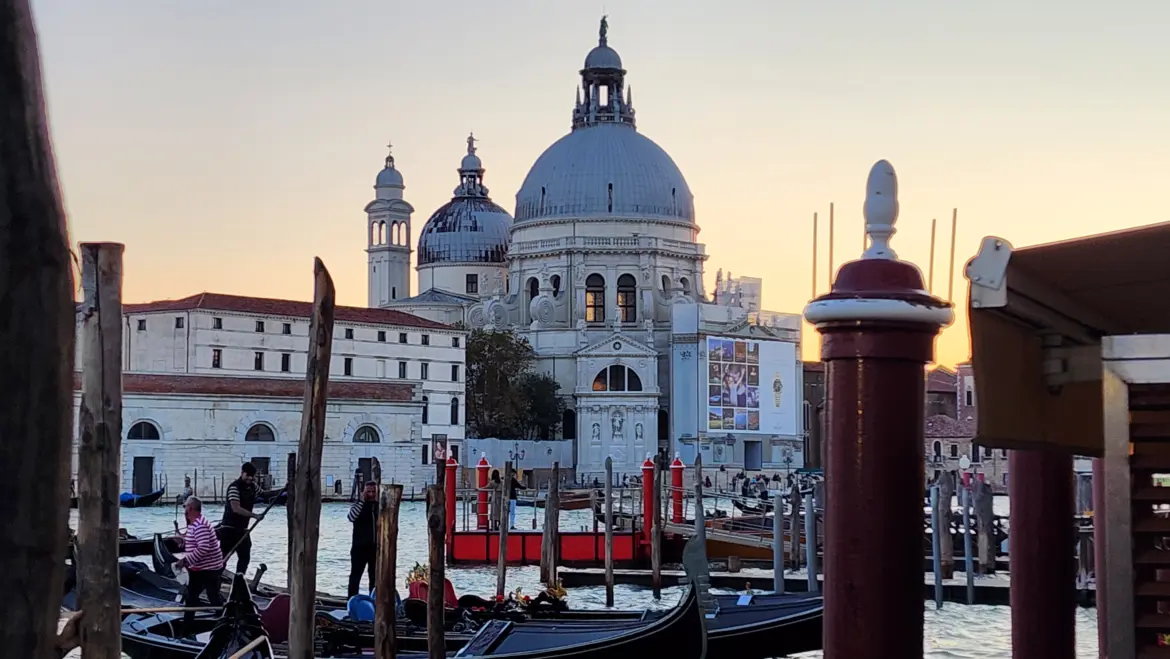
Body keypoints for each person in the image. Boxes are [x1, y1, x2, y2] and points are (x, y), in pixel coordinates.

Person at [176, 496, 223, 630]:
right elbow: (195, 543)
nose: (184, 509)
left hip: (207, 569)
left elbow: (203, 548)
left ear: (190, 508)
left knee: (203, 597)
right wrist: (183, 543)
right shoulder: (194, 523)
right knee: (201, 596)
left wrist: (185, 561)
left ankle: (187, 628)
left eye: (185, 506)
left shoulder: (200, 525)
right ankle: (188, 627)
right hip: (201, 568)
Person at [219, 462, 264, 577]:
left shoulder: (253, 486)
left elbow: (264, 495)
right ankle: (214, 583)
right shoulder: (234, 487)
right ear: (242, 473)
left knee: (244, 557)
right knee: (223, 558)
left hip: (242, 530)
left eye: (252, 476)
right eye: (248, 475)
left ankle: (239, 581)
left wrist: (283, 490)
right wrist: (255, 515)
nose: (250, 478)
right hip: (229, 530)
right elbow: (236, 508)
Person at [347, 481, 379, 597]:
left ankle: (374, 601)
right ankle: (351, 600)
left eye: (373, 491)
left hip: (375, 548)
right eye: (368, 491)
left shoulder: (379, 506)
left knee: (374, 577)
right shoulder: (358, 505)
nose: (371, 494)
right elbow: (351, 517)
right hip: (359, 548)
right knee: (355, 576)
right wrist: (361, 501)